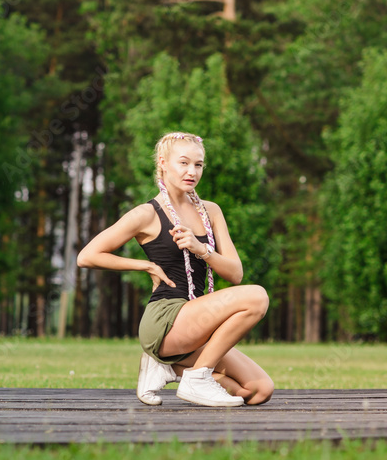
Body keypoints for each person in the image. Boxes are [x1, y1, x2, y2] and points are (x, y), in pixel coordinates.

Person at [77, 131, 274, 407]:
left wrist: (201, 249)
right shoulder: (147, 213)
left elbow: (235, 273)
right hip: (166, 321)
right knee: (257, 297)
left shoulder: (211, 212)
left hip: (196, 325)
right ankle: (198, 377)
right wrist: (145, 265)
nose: (191, 171)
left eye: (198, 164)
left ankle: (172, 370)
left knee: (259, 390)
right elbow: (87, 256)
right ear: (163, 163)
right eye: (183, 163)